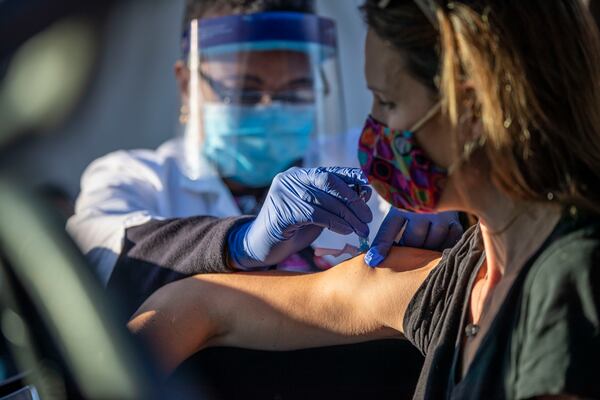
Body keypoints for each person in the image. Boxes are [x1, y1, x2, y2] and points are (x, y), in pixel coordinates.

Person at [128, 0, 600, 398]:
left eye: (387, 103)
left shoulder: (571, 279)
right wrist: (242, 243)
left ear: (472, 111)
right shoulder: (466, 273)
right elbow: (201, 304)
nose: (371, 129)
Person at [66, 0, 461, 314]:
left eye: (297, 90)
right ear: (186, 84)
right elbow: (99, 257)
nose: (272, 107)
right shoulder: (133, 178)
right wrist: (239, 243)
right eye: (244, 90)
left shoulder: (361, 157)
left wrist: (445, 207)